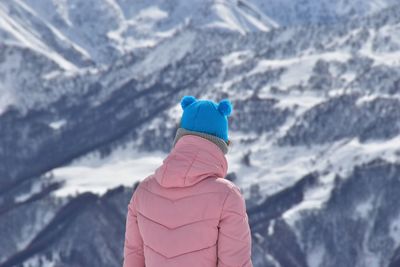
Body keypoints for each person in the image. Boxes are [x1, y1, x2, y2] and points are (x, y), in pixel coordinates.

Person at [123, 96, 253, 267]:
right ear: (221, 145)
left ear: (180, 138)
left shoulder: (144, 191)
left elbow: (133, 258)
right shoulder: (227, 196)